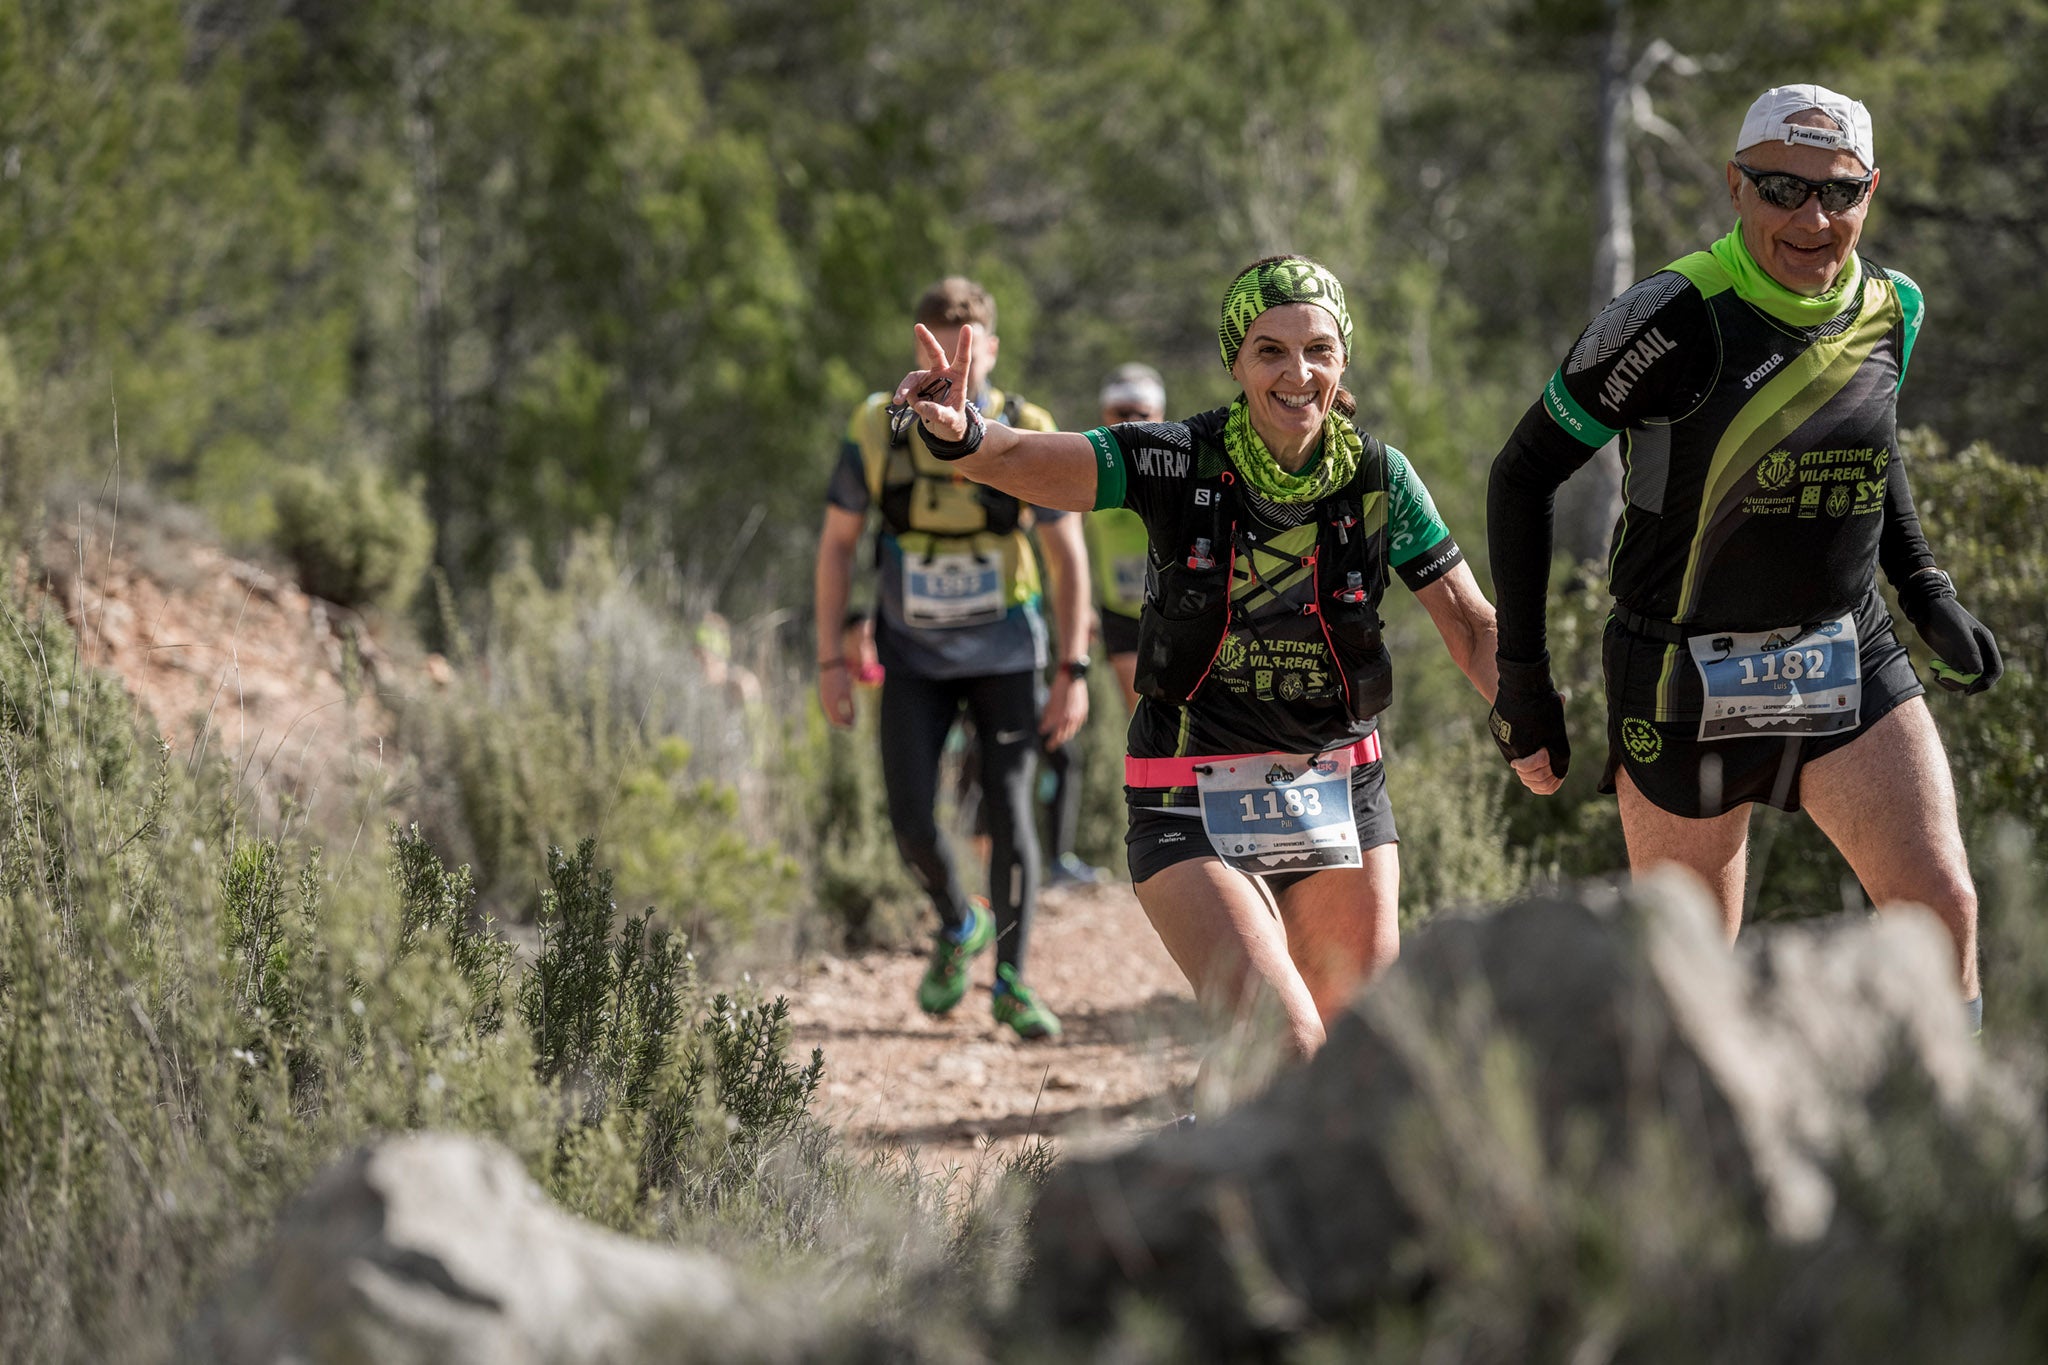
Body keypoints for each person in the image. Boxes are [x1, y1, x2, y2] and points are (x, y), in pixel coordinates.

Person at [892, 256, 1519, 1061]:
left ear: (1343, 361)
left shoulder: (1378, 479)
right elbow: (1025, 459)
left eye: (1319, 350)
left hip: (1335, 788)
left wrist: (1531, 713)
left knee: (1364, 1055)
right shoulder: (1174, 457)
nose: (1299, 373)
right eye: (1271, 351)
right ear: (1236, 360)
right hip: (1187, 791)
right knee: (1285, 1039)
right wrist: (968, 434)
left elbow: (1470, 626)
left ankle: (1257, 1171)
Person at [1484, 85, 1998, 1030]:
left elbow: (1869, 443)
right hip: (1681, 672)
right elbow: (1522, 476)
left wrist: (1924, 585)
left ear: (1871, 193)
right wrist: (1523, 681)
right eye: (1781, 189)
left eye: (1839, 194)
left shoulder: (1895, 306)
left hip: (1846, 650)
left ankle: (1946, 1167)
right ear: (1735, 185)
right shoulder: (1669, 317)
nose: (1812, 219)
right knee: (1689, 984)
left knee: (1943, 911)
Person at [815, 276, 1091, 1041]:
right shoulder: (878, 427)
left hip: (1007, 652)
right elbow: (837, 545)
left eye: (970, 345)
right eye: (935, 344)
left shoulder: (1026, 425)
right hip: (912, 655)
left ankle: (1010, 980)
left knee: (1010, 811)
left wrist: (1073, 670)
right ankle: (957, 919)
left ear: (992, 348)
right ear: (917, 346)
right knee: (909, 816)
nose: (953, 359)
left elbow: (1068, 557)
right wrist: (828, 659)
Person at [1088, 363, 1169, 713]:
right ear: (1105, 414)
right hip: (1120, 610)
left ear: (1161, 416)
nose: (1132, 421)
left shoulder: (1173, 468)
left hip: (1170, 611)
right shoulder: (1087, 470)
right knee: (1141, 713)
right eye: (1122, 413)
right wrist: (1084, 609)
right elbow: (1079, 548)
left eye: (1143, 413)